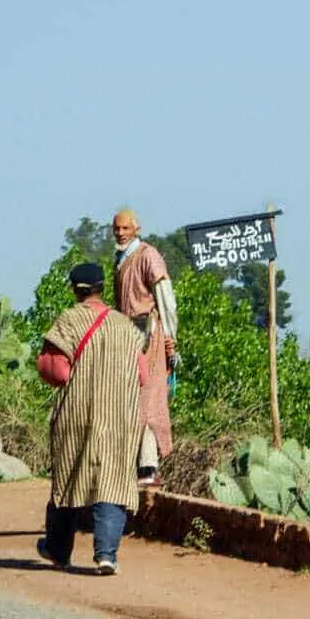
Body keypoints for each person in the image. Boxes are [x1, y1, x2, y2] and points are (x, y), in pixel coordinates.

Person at [35, 262, 148, 575]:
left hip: (78, 414)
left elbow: (58, 372)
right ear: (102, 288)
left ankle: (58, 550)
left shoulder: (68, 321)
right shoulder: (126, 326)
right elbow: (142, 374)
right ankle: (106, 555)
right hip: (120, 417)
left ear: (75, 289)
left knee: (69, 479)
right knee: (113, 481)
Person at [111, 208, 177, 488]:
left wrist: (170, 337)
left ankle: (148, 466)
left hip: (149, 334)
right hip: (127, 334)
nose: (120, 233)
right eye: (117, 229)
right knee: (129, 399)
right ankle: (132, 465)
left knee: (149, 401)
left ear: (136, 229)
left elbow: (165, 297)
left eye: (125, 228)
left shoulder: (148, 255)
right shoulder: (120, 258)